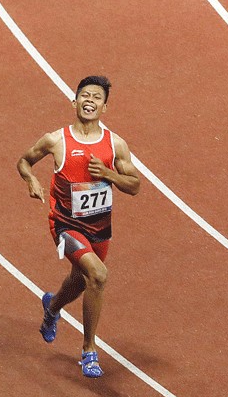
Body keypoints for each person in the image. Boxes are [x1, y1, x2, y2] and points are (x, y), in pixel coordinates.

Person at [17, 75, 141, 378]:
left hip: (99, 228)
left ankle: (52, 308)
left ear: (105, 107)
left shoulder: (115, 145)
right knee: (98, 276)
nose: (90, 101)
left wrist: (110, 176)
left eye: (96, 97)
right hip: (65, 226)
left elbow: (135, 185)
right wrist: (31, 179)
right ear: (74, 102)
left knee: (81, 280)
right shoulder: (56, 140)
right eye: (84, 95)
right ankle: (89, 351)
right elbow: (24, 160)